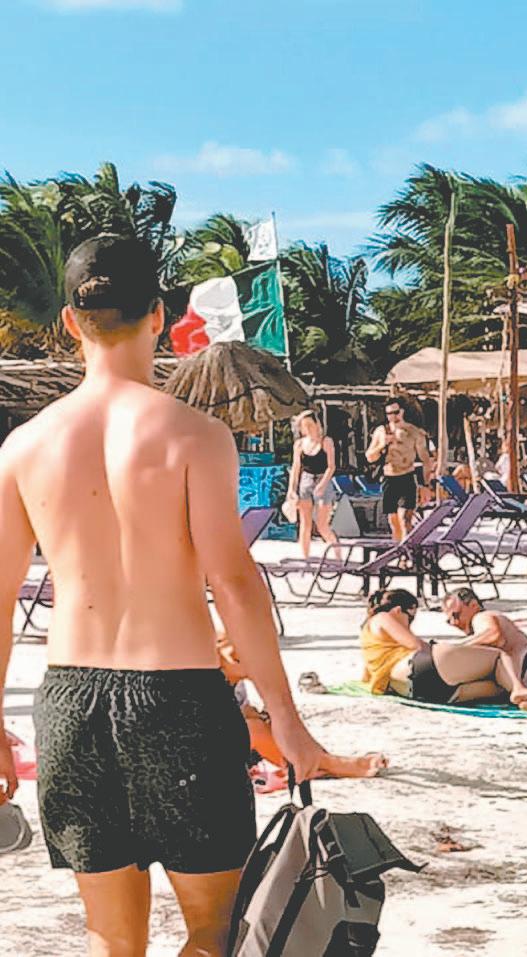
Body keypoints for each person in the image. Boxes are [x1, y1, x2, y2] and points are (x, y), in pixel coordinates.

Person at [0, 235, 324, 957]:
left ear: (70, 322)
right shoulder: (195, 435)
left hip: (69, 703)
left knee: (112, 939)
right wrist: (285, 718)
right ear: (160, 316)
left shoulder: (23, 446)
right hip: (178, 699)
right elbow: (233, 582)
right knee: (215, 928)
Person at [216, 633, 387, 780]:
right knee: (251, 729)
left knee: (272, 723)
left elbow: (243, 709)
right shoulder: (210, 679)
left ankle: (317, 761)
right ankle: (327, 764)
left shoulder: (236, 682)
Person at [360, 589, 527, 709]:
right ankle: (520, 689)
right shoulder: (383, 617)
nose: (409, 623)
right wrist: (445, 647)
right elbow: (416, 646)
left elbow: (367, 675)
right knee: (499, 657)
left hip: (417, 690)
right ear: (398, 610)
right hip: (418, 667)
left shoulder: (368, 636)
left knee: (499, 686)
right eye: (410, 618)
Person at [365, 400, 433, 542]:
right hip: (389, 477)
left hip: (407, 476)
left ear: (402, 412)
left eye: (396, 412)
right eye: (389, 413)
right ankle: (397, 548)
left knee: (405, 519)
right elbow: (370, 457)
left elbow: (426, 460)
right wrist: (382, 445)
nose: (393, 416)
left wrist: (426, 485)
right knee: (393, 521)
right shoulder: (381, 432)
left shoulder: (414, 432)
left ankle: (408, 549)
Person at [284, 410, 340, 559]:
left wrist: (322, 484)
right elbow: (296, 468)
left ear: (317, 425)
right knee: (305, 523)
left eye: (309, 425)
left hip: (323, 479)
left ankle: (337, 553)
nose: (307, 429)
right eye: (304, 426)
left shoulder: (326, 441)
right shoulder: (299, 445)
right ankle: (305, 557)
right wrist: (291, 489)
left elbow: (331, 466)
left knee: (322, 524)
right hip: (306, 480)